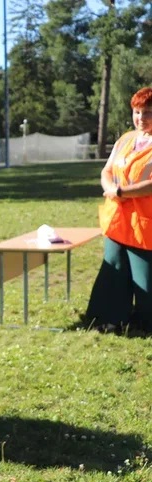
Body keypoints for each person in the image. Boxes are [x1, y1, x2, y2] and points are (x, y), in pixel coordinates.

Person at [85, 86, 152, 333]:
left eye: (148, 112)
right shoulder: (126, 139)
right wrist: (110, 187)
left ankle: (145, 323)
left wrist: (122, 192)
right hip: (117, 218)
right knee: (113, 269)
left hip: (145, 222)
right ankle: (109, 320)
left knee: (145, 278)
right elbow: (107, 170)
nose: (141, 118)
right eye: (137, 112)